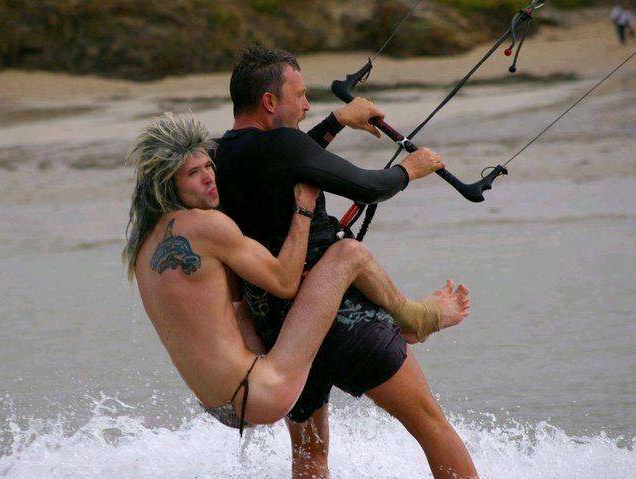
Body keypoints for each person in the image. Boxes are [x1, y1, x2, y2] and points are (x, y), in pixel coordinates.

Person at [214, 46, 478, 478]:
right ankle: (414, 318)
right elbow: (366, 186)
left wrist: (336, 122)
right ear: (269, 102)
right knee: (431, 426)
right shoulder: (281, 145)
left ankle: (413, 317)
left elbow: (288, 160)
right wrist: (410, 169)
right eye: (299, 95)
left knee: (309, 455)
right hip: (341, 317)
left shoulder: (220, 157)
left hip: (282, 335)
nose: (306, 105)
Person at [122, 113, 470, 441]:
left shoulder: (142, 247)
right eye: (193, 173)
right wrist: (303, 209)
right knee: (347, 254)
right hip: (261, 390)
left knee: (241, 304)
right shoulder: (205, 226)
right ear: (168, 183)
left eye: (208, 166)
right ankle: (417, 317)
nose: (209, 177)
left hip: (220, 405)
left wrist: (335, 122)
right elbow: (285, 283)